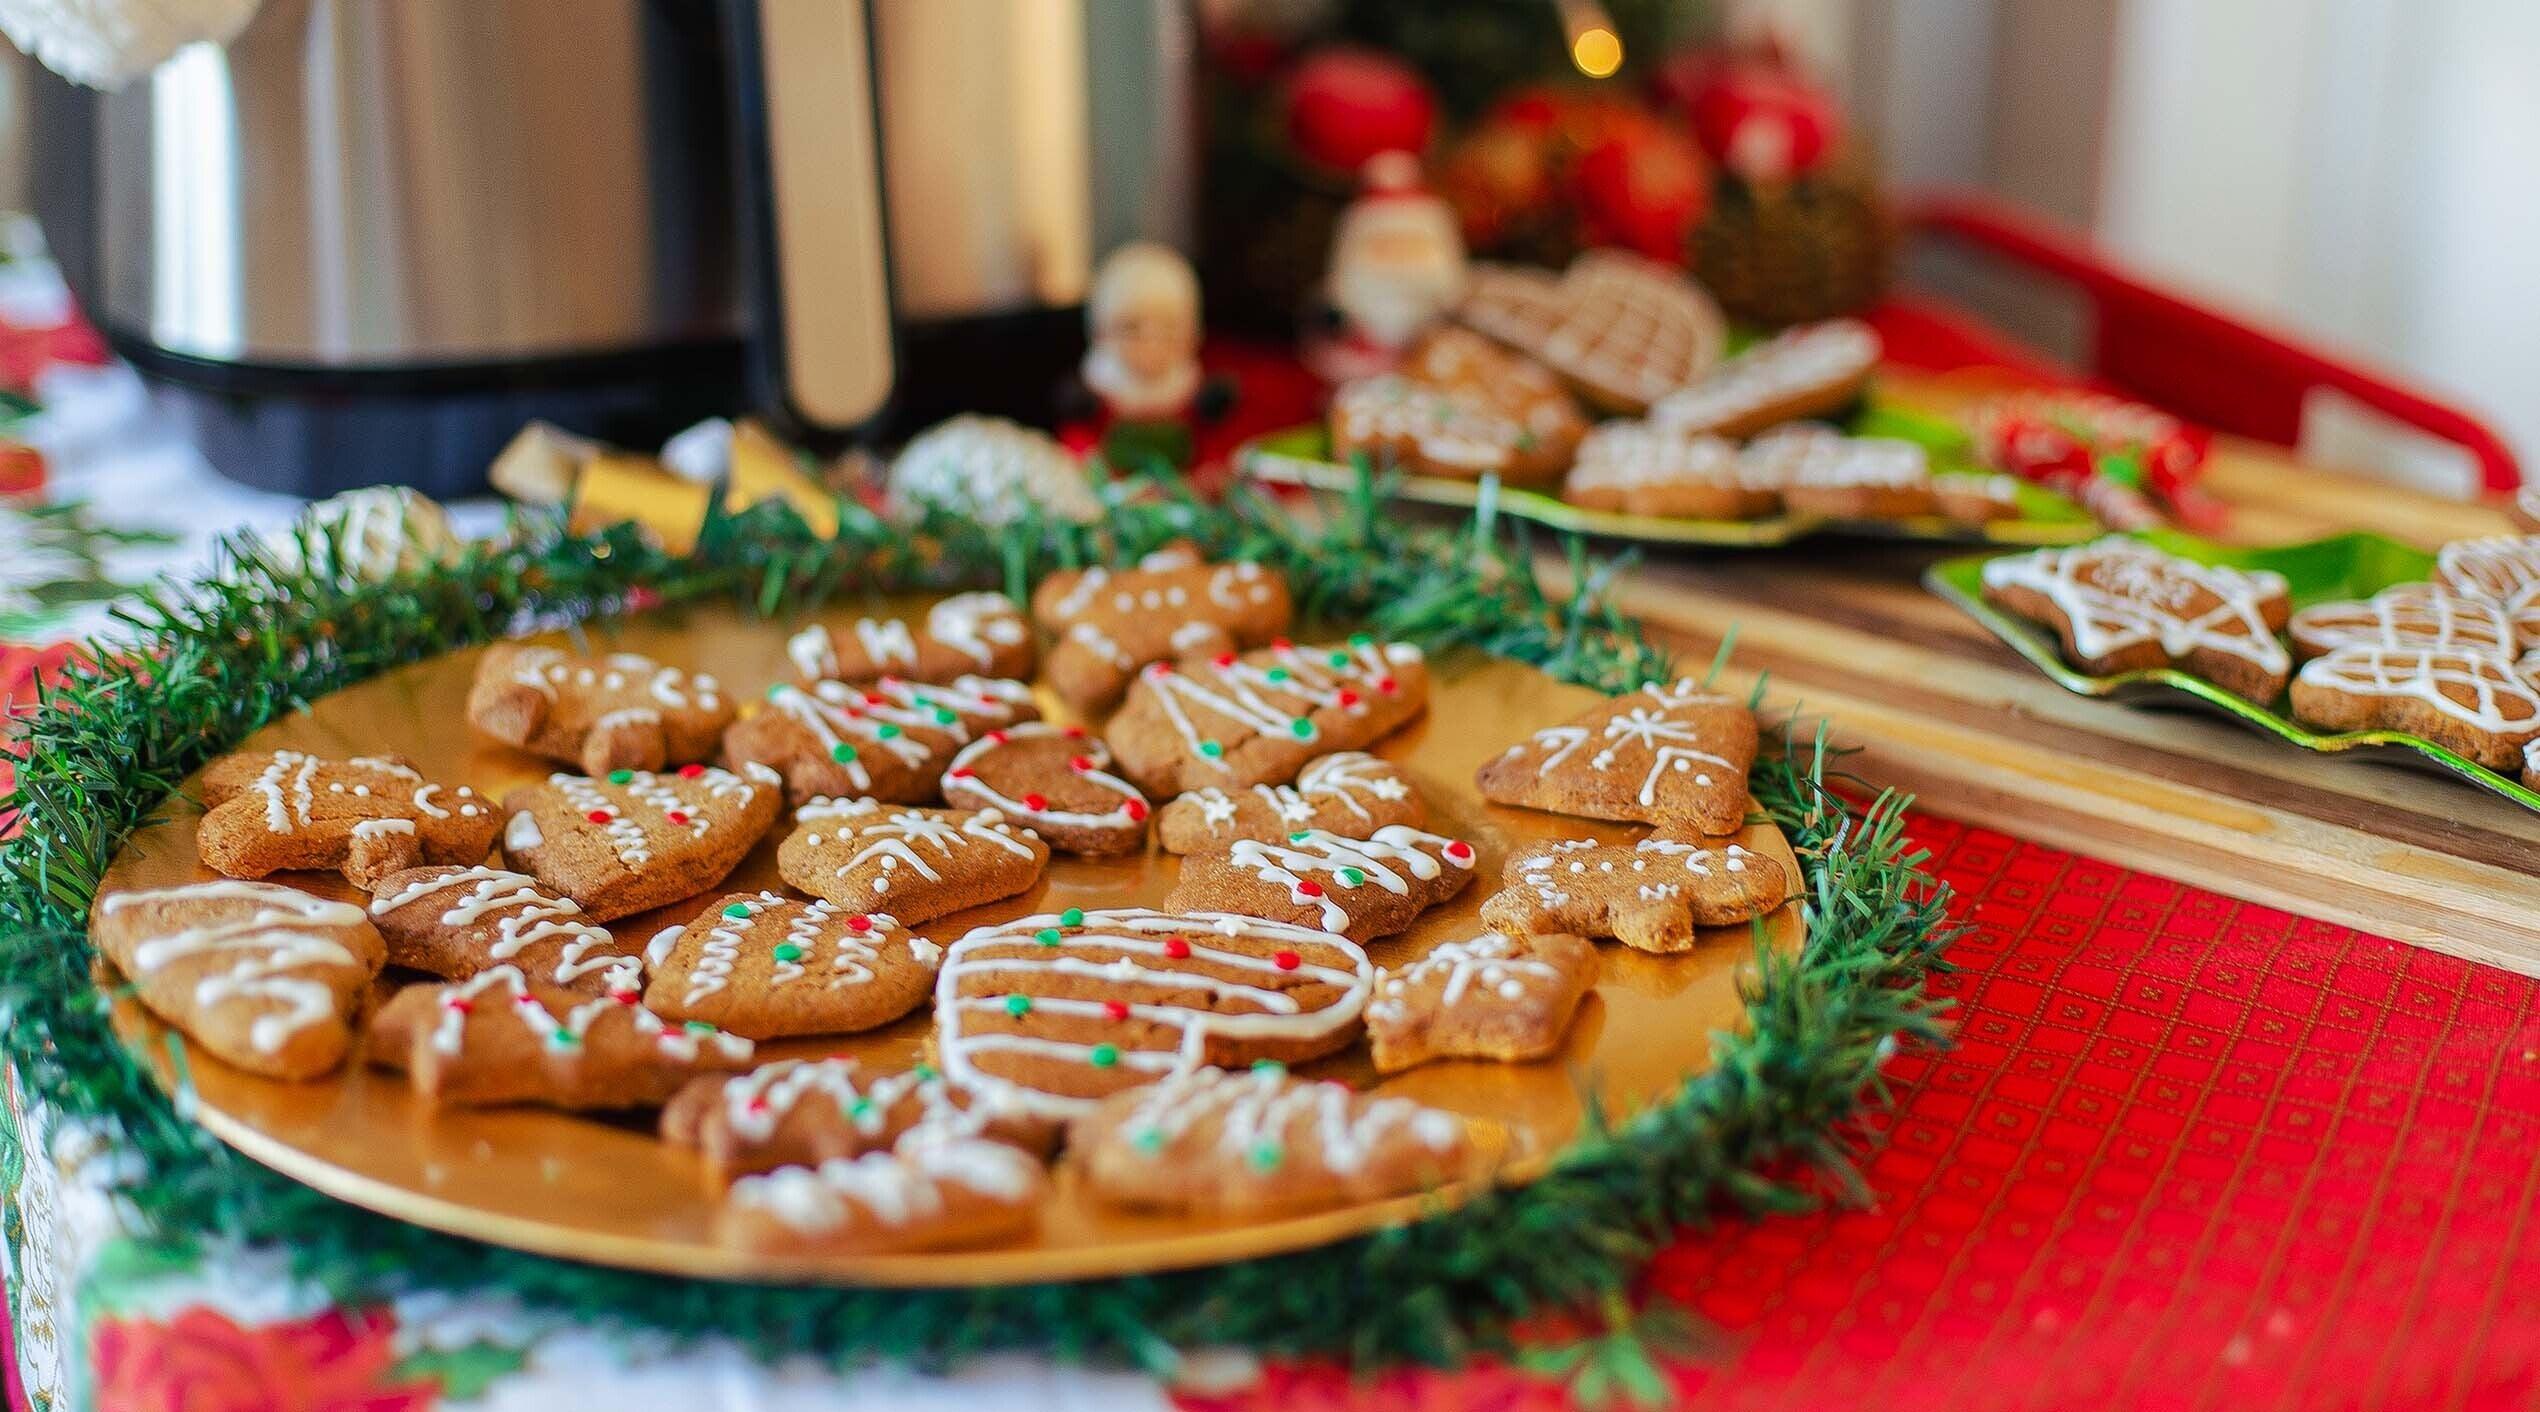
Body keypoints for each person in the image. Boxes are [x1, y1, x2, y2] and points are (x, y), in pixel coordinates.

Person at [1306, 151, 1470, 383]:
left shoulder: (1432, 219)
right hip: (1367, 335)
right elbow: (1344, 284)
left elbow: (1448, 280)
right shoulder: (1359, 221)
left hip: (1424, 329)